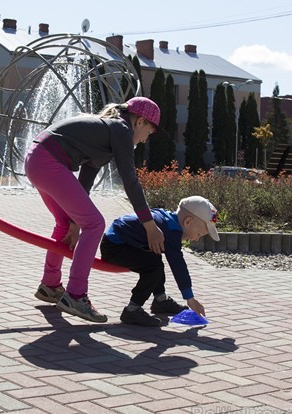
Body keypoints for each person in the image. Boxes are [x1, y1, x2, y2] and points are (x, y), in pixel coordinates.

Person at [25, 97, 165, 323]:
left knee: (65, 224)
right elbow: (130, 180)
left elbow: (86, 179)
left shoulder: (105, 132)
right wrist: (149, 225)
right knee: (95, 224)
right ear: (140, 121)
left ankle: (50, 285)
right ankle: (76, 295)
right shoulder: (121, 129)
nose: (148, 138)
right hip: (48, 161)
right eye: (150, 130)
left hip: (36, 158)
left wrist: (73, 222)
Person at [100, 196, 220, 327]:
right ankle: (132, 310)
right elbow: (178, 266)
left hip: (117, 243)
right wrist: (189, 298)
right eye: (199, 234)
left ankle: (160, 300)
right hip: (115, 248)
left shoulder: (168, 220)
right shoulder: (172, 231)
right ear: (188, 221)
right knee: (153, 268)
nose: (196, 239)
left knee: (155, 260)